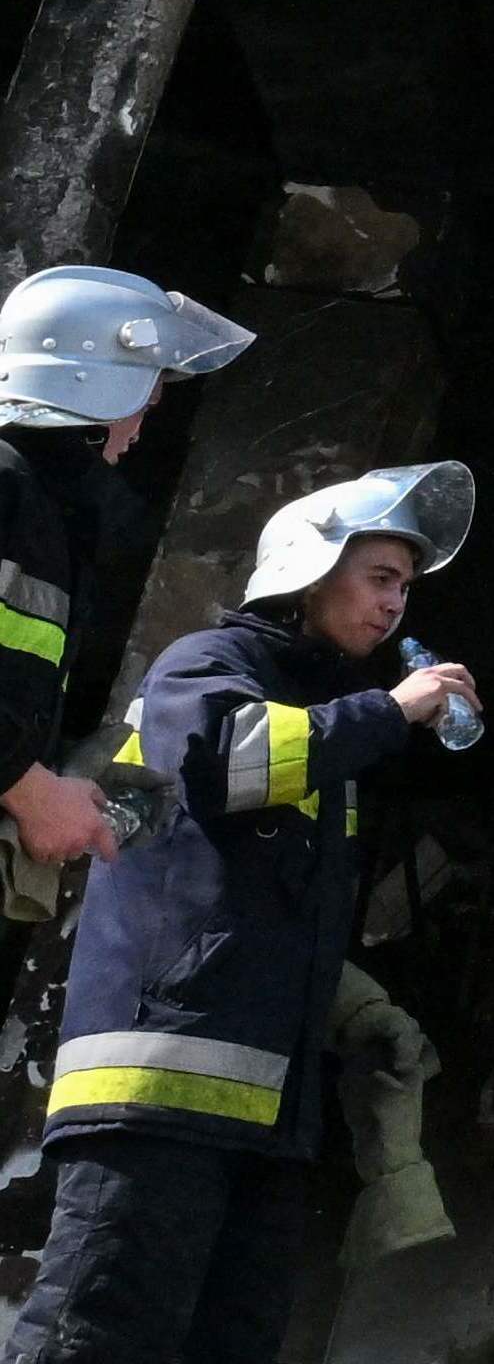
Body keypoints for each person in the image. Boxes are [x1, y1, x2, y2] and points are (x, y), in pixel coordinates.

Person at [0, 466, 475, 1364]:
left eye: (404, 586)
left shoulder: (327, 735)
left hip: (265, 1115)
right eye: (376, 578)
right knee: (98, 1334)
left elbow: (257, 904)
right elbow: (221, 765)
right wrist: (393, 716)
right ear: (307, 574)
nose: (392, 607)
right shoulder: (205, 673)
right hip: (159, 1082)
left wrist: (363, 1010)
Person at [0, 267, 248, 910]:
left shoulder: (45, 510)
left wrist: (52, 779)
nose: (146, 420)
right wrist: (27, 787)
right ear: (98, 384)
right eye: (148, 394)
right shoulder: (8, 486)